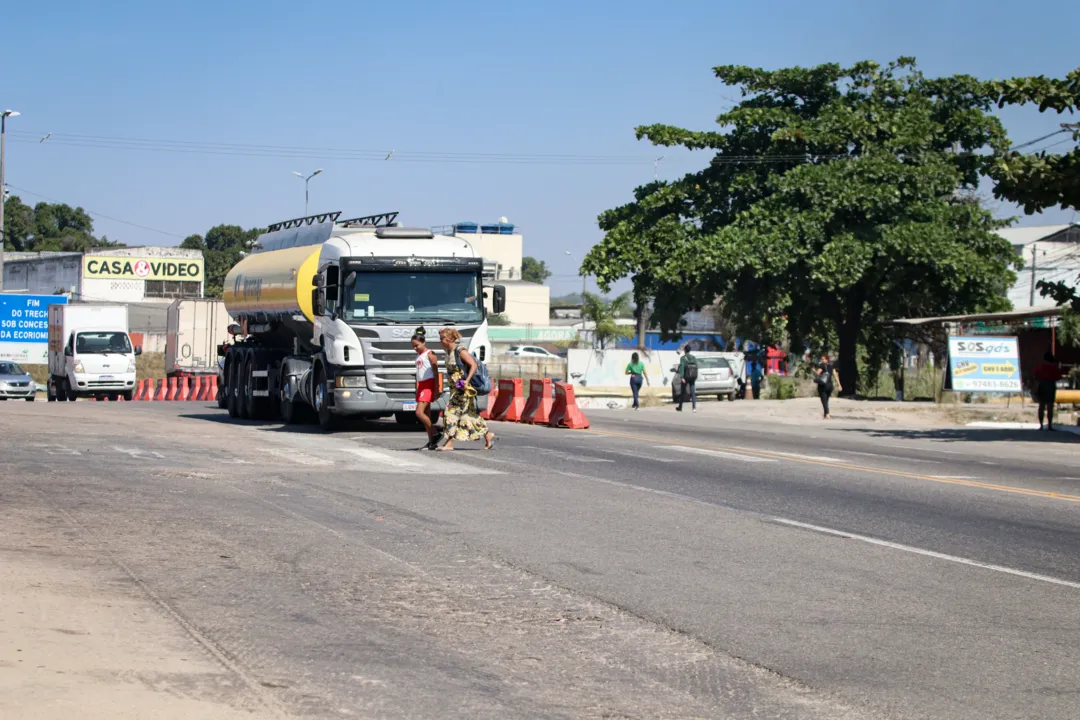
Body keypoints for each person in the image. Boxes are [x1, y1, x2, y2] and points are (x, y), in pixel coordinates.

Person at [437, 327, 495, 451]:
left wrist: (466, 381)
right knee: (467, 416)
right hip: (454, 389)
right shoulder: (449, 351)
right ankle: (487, 435)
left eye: (442, 338)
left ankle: (449, 443)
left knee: (450, 413)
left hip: (462, 390)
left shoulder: (460, 350)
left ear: (449, 339)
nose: (440, 341)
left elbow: (473, 364)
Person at [411, 332, 441, 450]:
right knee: (426, 415)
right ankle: (432, 441)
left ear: (423, 343)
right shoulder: (418, 356)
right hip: (421, 385)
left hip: (429, 384)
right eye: (413, 346)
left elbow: (435, 372)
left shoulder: (430, 354)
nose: (415, 348)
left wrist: (437, 389)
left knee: (419, 413)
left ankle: (435, 433)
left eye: (417, 345)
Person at [1033, 351, 1064, 431]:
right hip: (1050, 386)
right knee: (1050, 406)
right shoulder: (1053, 367)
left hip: (1042, 385)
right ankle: (1049, 425)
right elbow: (1059, 377)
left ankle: (1041, 425)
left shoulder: (1040, 366)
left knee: (1041, 406)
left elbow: (1034, 374)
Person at [814, 353, 842, 419]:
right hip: (830, 386)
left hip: (823, 385)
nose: (821, 360)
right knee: (826, 400)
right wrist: (839, 385)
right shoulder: (831, 366)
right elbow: (835, 375)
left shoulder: (822, 365)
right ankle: (825, 414)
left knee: (824, 401)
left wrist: (814, 371)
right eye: (821, 359)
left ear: (827, 360)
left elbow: (817, 373)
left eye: (823, 359)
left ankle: (827, 414)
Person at [676, 344, 697, 413]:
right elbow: (696, 367)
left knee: (682, 392)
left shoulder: (683, 358)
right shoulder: (693, 358)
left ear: (685, 350)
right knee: (693, 393)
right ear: (690, 350)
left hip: (685, 377)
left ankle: (680, 407)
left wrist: (681, 377)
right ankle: (694, 408)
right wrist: (695, 376)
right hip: (692, 377)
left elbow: (682, 367)